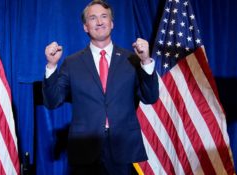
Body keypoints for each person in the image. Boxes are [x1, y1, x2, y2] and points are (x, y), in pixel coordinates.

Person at [42, 1, 159, 174]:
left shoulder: (132, 60)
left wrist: (146, 61)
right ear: (85, 27)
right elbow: (52, 101)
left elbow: (150, 97)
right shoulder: (71, 63)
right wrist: (51, 66)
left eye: (104, 17)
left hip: (122, 146)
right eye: (93, 18)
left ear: (112, 23)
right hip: (85, 148)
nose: (99, 22)